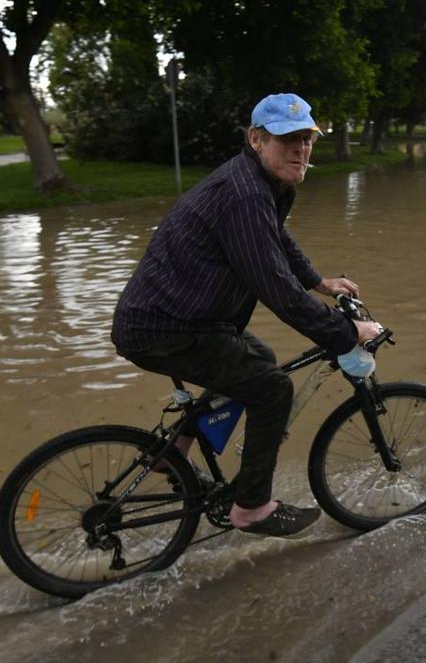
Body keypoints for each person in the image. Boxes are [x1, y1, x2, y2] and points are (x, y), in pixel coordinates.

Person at [111, 92, 383, 537]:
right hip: (166, 328)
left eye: (306, 139)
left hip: (186, 320)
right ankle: (251, 507)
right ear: (256, 139)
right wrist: (345, 331)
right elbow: (274, 288)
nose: (300, 149)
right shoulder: (242, 193)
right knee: (272, 390)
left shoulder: (264, 185)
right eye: (286, 139)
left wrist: (319, 282)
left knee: (254, 357)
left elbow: (276, 239)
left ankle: (171, 452)